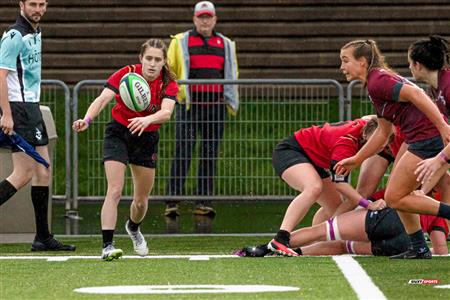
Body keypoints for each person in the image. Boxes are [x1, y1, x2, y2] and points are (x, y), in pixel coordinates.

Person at [335, 39, 450, 259]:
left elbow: (416, 95)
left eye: (345, 60)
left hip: (426, 137)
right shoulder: (374, 83)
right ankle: (418, 247)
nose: (341, 67)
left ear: (362, 62)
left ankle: (421, 243)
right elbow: (383, 132)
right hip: (421, 137)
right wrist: (357, 159)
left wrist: (442, 125)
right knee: (397, 195)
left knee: (395, 196)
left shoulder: (378, 80)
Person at [72, 39, 178, 261]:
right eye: (148, 58)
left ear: (164, 62)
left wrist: (146, 120)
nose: (152, 63)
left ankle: (133, 228)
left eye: (158, 59)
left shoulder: (168, 82)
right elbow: (103, 99)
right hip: (119, 133)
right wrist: (87, 119)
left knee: (140, 200)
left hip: (146, 137)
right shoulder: (127, 74)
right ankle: (107, 246)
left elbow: (166, 112)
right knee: (115, 189)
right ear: (141, 58)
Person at [0, 0, 75, 252]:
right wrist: (7, 115)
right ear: (21, 4)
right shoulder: (15, 35)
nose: (38, 9)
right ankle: (42, 237)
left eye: (42, 4)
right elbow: (1, 76)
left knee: (43, 170)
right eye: (33, 4)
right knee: (22, 174)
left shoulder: (35, 31)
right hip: (18, 108)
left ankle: (43, 237)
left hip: (31, 107)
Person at [267, 117, 386, 257]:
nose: (377, 148)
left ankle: (309, 243)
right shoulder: (346, 144)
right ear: (365, 135)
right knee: (313, 187)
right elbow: (340, 185)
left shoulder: (366, 125)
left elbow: (370, 118)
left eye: (382, 146)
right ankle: (281, 238)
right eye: (375, 143)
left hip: (313, 158)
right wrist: (367, 204)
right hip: (291, 151)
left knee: (335, 210)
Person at [165, 1, 239, 217]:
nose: (205, 21)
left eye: (208, 17)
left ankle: (203, 202)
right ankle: (172, 201)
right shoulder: (181, 41)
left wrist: (229, 101)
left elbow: (232, 71)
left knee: (209, 154)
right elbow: (169, 69)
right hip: (189, 107)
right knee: (183, 153)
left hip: (215, 108)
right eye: (201, 17)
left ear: (214, 19)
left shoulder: (224, 43)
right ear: (194, 19)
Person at [408, 36, 450, 188]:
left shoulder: (448, 86)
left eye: (410, 63)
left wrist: (438, 159)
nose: (409, 68)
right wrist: (423, 191)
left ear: (417, 65)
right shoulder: (436, 87)